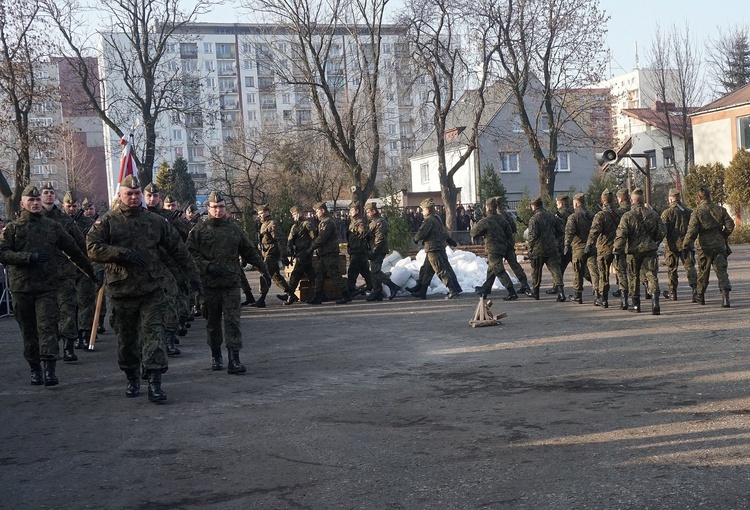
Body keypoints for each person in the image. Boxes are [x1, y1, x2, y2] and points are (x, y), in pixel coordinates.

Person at [87, 175, 201, 402]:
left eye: (137, 193)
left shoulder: (155, 221)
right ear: (120, 195)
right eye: (129, 194)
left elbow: (178, 249)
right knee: (127, 341)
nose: (133, 197)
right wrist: (123, 253)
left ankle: (155, 383)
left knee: (154, 336)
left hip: (152, 290)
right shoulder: (108, 221)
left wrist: (193, 275)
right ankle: (132, 377)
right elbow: (92, 248)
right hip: (122, 293)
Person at [0, 185, 95, 386]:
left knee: (48, 327)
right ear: (22, 203)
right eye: (31, 200)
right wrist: (28, 257)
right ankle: (35, 368)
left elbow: (75, 251)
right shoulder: (14, 229)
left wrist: (92, 273)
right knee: (29, 331)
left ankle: (49, 368)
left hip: (47, 287)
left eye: (37, 200)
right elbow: (2, 253)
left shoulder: (53, 227)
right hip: (22, 288)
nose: (35, 204)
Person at [187, 191, 271, 374]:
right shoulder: (199, 231)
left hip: (231, 283)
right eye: (214, 207)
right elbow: (189, 254)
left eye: (221, 207)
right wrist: (206, 266)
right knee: (213, 322)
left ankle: (234, 359)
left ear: (226, 208)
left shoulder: (234, 229)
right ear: (208, 209)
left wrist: (264, 269)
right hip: (209, 285)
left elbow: (249, 250)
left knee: (233, 320)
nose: (218, 210)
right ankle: (216, 355)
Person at [40, 183, 88, 363]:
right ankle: (49, 351)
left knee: (68, 311)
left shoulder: (65, 220)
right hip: (42, 277)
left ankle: (68, 346)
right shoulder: (33, 220)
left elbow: (80, 244)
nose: (49, 195)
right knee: (47, 316)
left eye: (52, 193)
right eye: (45, 193)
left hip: (65, 274)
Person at [613, 188, 666, 315]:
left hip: (633, 251)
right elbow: (662, 232)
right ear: (643, 201)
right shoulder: (653, 214)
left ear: (631, 200)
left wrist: (617, 249)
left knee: (634, 276)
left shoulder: (628, 216)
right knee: (651, 275)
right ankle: (655, 303)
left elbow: (621, 234)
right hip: (650, 249)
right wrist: (655, 242)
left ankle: (636, 304)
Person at [683, 185, 735, 307]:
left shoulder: (697, 212)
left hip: (704, 246)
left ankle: (700, 295)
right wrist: (723, 235)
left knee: (703, 271)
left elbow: (692, 232)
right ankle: (725, 298)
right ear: (709, 195)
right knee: (721, 270)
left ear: (698, 197)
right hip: (719, 243)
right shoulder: (720, 210)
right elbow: (730, 226)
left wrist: (686, 245)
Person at [62, 191, 99, 349]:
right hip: (65, 269)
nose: (71, 209)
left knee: (85, 302)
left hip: (84, 268)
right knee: (69, 305)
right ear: (64, 206)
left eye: (74, 206)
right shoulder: (59, 222)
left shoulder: (89, 223)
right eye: (68, 206)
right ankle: (71, 336)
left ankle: (85, 334)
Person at [470, 197, 518, 300]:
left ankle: (512, 291)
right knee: (491, 270)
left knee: (498, 270)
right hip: (502, 248)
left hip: (493, 249)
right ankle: (486, 289)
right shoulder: (502, 219)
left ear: (487, 208)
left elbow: (473, 233)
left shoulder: (485, 221)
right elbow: (509, 233)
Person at [412, 198, 461, 299]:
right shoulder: (437, 218)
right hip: (439, 247)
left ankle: (452, 289)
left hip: (432, 249)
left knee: (440, 270)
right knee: (427, 270)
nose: (422, 211)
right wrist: (450, 241)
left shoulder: (428, 220)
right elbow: (443, 232)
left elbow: (421, 233)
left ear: (428, 210)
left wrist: (416, 239)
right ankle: (422, 290)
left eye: (423, 209)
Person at [306, 202, 351, 305]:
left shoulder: (327, 222)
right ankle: (318, 295)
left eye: (317, 211)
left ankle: (346, 294)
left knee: (334, 274)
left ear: (322, 210)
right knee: (319, 274)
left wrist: (311, 248)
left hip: (329, 252)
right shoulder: (324, 221)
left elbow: (322, 238)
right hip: (324, 253)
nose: (316, 213)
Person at [661, 188, 698, 302]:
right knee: (690, 267)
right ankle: (695, 291)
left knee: (672, 269)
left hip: (672, 246)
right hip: (687, 244)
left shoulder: (667, 213)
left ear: (671, 198)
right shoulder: (688, 211)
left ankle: (673, 292)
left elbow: (662, 229)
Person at [526, 195, 565, 301]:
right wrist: (553, 238)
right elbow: (561, 230)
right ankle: (561, 292)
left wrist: (529, 249)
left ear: (533, 206)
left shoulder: (534, 219)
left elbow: (532, 236)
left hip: (538, 249)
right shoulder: (550, 216)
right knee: (555, 269)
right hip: (552, 247)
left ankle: (536, 292)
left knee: (536, 271)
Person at [586, 189, 620, 308]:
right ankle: (625, 299)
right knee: (621, 273)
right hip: (619, 247)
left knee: (603, 274)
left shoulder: (600, 215)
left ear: (602, 200)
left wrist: (589, 244)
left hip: (604, 248)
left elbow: (594, 231)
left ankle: (604, 299)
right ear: (613, 200)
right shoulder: (620, 212)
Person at [564, 193, 599, 304]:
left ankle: (578, 295)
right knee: (593, 271)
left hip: (578, 248)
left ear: (575, 203)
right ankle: (598, 294)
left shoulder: (573, 217)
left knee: (578, 272)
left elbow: (569, 232)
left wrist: (566, 245)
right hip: (592, 247)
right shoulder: (592, 215)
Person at [256, 204, 293, 307]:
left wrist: (284, 255)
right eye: (258, 214)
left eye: (261, 213)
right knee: (275, 276)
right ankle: (290, 293)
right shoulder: (263, 224)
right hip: (267, 253)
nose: (259, 216)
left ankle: (262, 298)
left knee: (264, 274)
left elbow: (280, 240)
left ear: (267, 212)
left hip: (272, 254)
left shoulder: (272, 224)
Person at [364, 202, 401, 301]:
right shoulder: (373, 222)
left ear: (374, 211)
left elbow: (379, 238)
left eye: (368, 212)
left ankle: (392, 286)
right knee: (373, 272)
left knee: (375, 271)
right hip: (374, 249)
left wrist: (374, 251)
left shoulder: (380, 222)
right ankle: (377, 292)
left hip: (378, 250)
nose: (367, 214)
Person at [497, 201, 530, 295]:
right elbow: (514, 228)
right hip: (509, 242)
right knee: (514, 264)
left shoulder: (499, 216)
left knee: (495, 266)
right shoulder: (507, 215)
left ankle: (512, 289)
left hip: (502, 243)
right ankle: (524, 283)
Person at [285, 205, 316, 305]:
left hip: (305, 252)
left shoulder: (307, 224)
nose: (294, 216)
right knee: (310, 273)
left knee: (296, 273)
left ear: (300, 213)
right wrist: (289, 249)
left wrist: (311, 249)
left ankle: (290, 294)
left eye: (295, 214)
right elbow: (290, 239)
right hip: (298, 252)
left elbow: (314, 237)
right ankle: (319, 292)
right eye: (293, 215)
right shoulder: (295, 226)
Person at [546, 194, 573, 294]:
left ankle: (556, 286)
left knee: (559, 266)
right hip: (574, 243)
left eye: (557, 203)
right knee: (582, 268)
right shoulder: (572, 211)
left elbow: (558, 229)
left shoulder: (560, 214)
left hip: (563, 244)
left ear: (560, 203)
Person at [345, 202, 373, 298]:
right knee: (365, 271)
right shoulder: (353, 222)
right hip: (356, 251)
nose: (350, 212)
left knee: (352, 272)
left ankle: (349, 292)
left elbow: (364, 233)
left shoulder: (359, 222)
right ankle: (373, 287)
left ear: (357, 211)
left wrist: (360, 242)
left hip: (358, 251)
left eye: (352, 210)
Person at [611, 188, 630, 305]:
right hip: (637, 244)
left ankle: (622, 290)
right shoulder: (634, 209)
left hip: (622, 244)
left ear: (621, 198)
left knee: (621, 270)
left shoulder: (619, 211)